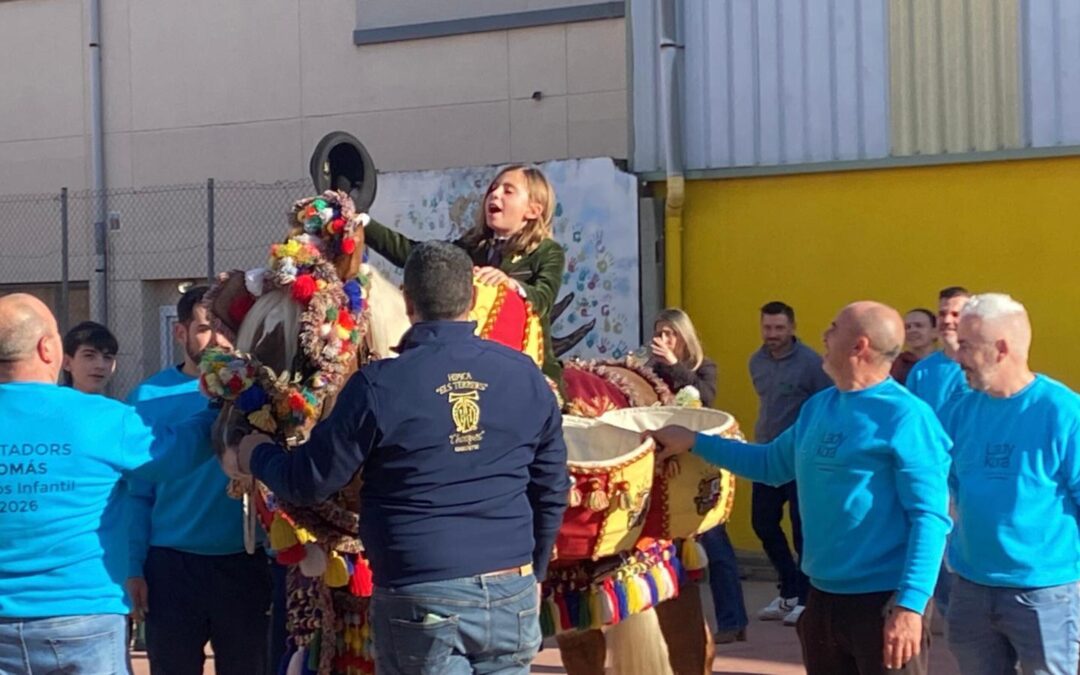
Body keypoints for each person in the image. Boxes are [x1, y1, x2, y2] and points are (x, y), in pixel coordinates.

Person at [227, 242, 570, 675]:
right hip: (511, 590)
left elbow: (308, 480)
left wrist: (256, 454)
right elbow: (553, 487)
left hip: (422, 592)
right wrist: (534, 571)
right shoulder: (524, 375)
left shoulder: (378, 385)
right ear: (471, 298)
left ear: (407, 300)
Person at [648, 301, 952, 675]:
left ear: (859, 346)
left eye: (833, 327)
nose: (823, 335)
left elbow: (931, 519)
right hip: (822, 599)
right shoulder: (819, 407)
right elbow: (769, 465)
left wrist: (910, 607)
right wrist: (694, 441)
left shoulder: (907, 418)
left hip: (883, 603)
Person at [0, 294, 222, 672]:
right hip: (82, 617)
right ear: (48, 348)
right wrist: (223, 401)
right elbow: (177, 452)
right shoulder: (100, 417)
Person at [125, 286, 271, 675]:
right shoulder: (146, 396)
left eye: (227, 328)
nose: (218, 340)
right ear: (181, 332)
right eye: (205, 328)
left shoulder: (260, 393)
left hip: (245, 562)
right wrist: (132, 566)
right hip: (171, 567)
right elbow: (134, 494)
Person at [943, 293, 1080, 674]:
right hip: (971, 588)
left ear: (1000, 348)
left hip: (1045, 594)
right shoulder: (961, 410)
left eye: (967, 345)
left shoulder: (1063, 412)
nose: (957, 356)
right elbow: (950, 487)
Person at [364, 164, 566, 387]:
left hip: (528, 369)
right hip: (465, 360)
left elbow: (544, 298)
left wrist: (511, 284)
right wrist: (365, 225)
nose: (495, 194)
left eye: (508, 191)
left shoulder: (547, 251)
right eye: (493, 189)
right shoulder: (473, 246)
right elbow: (421, 257)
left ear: (533, 210)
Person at [749, 301, 832, 625]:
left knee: (803, 530)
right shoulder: (756, 361)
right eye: (767, 328)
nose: (773, 335)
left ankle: (807, 599)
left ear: (792, 328)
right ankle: (789, 589)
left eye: (779, 328)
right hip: (767, 456)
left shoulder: (812, 364)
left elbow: (825, 407)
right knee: (763, 524)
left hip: (801, 460)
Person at [906, 286, 971, 415]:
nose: (947, 321)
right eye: (942, 314)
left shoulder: (985, 366)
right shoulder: (921, 370)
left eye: (955, 314)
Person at [649, 307, 718, 406]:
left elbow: (707, 397)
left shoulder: (705, 366)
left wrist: (674, 365)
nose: (663, 340)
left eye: (668, 334)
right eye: (659, 334)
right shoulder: (654, 367)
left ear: (683, 336)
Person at [61, 319, 118, 394]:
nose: (100, 366)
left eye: (107, 357)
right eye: (89, 356)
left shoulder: (115, 406)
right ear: (67, 363)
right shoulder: (50, 404)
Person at [891, 309, 937, 385]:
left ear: (935, 332)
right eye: (907, 327)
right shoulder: (895, 364)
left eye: (919, 326)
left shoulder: (946, 362)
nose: (912, 330)